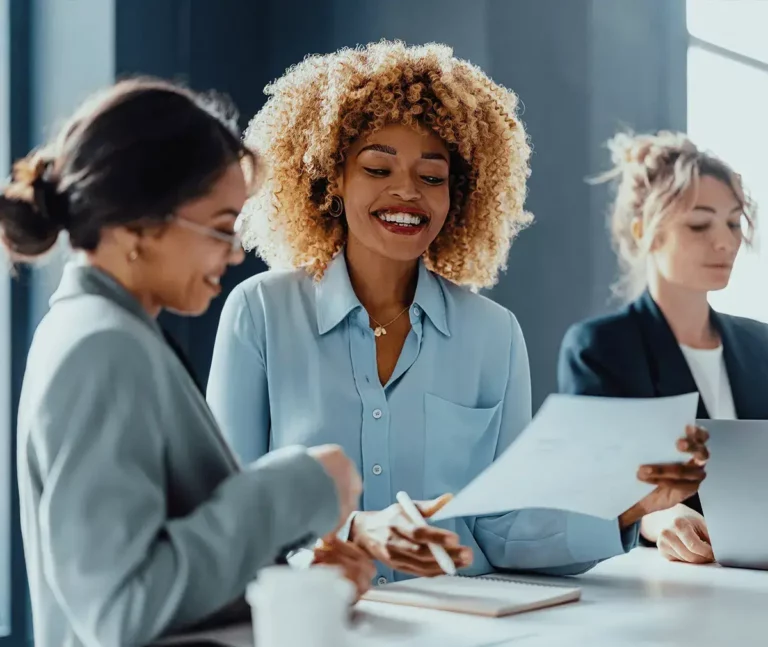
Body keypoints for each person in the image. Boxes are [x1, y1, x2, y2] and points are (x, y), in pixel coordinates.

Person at [207, 42, 708, 584]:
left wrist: (628, 505)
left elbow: (503, 527)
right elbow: (233, 510)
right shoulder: (260, 312)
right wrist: (350, 530)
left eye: (432, 176)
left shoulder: (494, 334)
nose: (406, 192)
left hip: (463, 623)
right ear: (331, 179)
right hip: (316, 621)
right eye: (377, 167)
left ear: (461, 196)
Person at [3, 78, 374, 647]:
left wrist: (291, 583)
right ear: (136, 227)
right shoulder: (102, 347)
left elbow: (158, 568)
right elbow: (121, 608)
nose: (234, 253)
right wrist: (297, 485)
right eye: (221, 228)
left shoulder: (100, 332)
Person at [559, 131, 766, 565]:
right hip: (673, 575)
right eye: (699, 224)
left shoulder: (761, 344)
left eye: (732, 222)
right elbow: (598, 485)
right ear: (645, 232)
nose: (726, 242)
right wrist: (661, 517)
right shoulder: (601, 348)